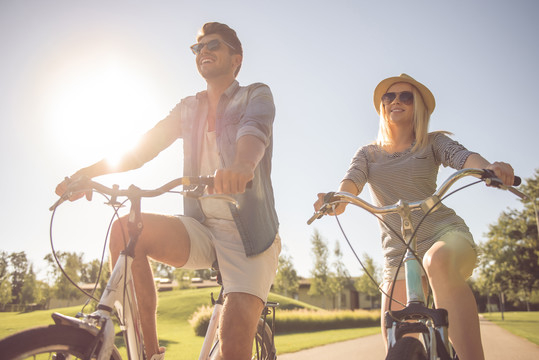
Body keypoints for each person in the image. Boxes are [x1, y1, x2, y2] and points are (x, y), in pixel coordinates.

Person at [56, 22, 281, 360]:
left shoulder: (255, 94)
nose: (203, 51)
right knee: (126, 230)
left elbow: (254, 130)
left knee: (234, 346)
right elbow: (141, 149)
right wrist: (86, 174)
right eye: (198, 48)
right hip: (201, 225)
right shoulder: (188, 109)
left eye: (213, 45)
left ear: (237, 58)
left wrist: (242, 167)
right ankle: (150, 352)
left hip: (249, 237)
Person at [314, 73, 514, 360]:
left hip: (444, 235)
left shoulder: (433, 143)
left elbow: (463, 158)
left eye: (405, 96)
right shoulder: (367, 154)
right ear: (383, 106)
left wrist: (489, 169)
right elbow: (351, 182)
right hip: (397, 254)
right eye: (389, 97)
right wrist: (337, 200)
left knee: (437, 261)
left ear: (418, 106)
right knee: (397, 338)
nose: (396, 101)